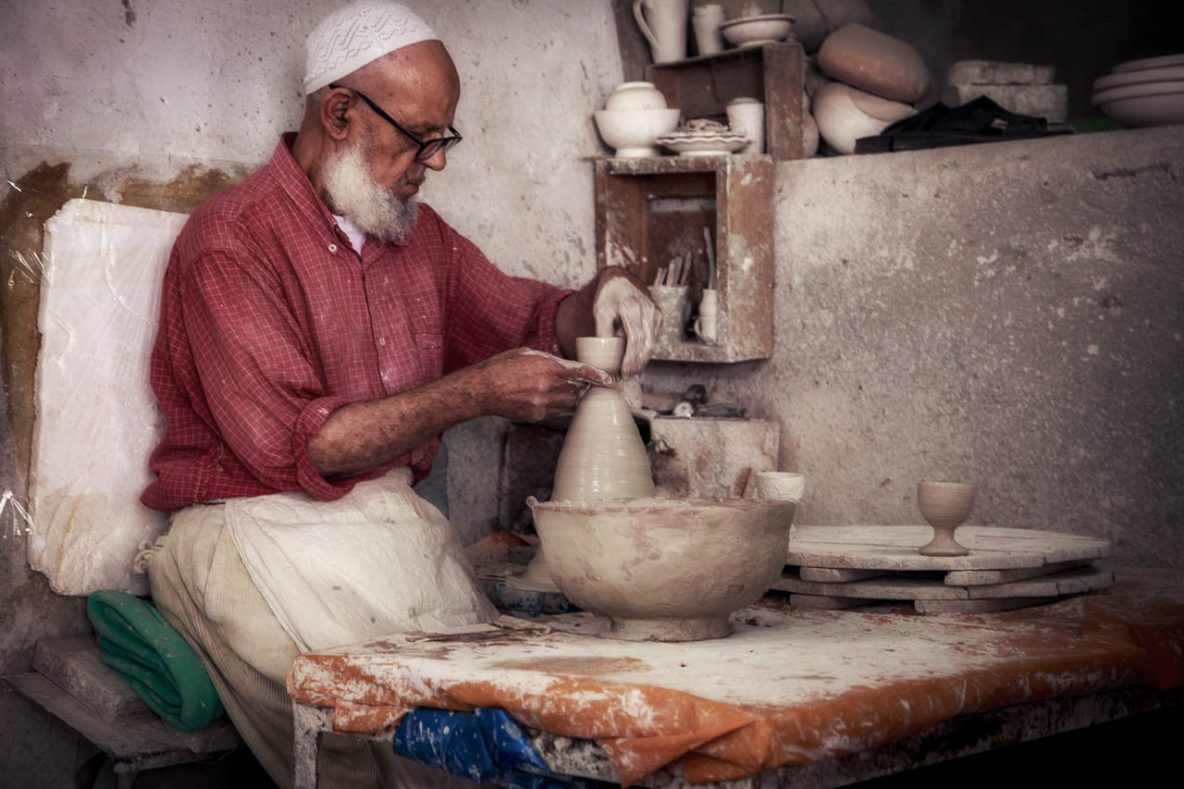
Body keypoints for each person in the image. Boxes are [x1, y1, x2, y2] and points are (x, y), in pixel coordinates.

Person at [139, 2, 659, 786]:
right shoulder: (229, 242)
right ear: (340, 111)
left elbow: (535, 315)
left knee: (504, 726)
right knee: (364, 744)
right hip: (244, 530)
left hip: (387, 527)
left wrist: (607, 293)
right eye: (422, 135)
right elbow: (303, 446)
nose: (436, 161)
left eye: (443, 136)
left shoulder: (418, 236)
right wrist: (475, 392)